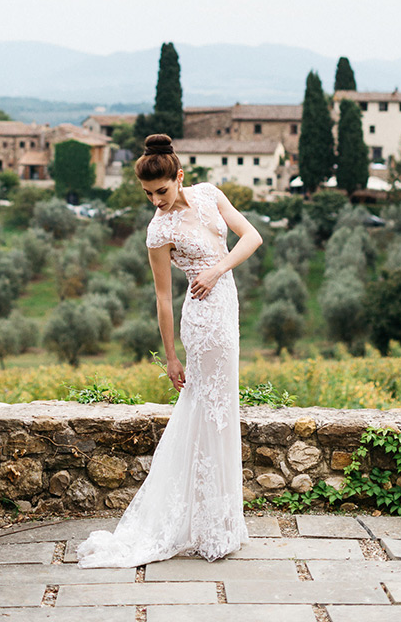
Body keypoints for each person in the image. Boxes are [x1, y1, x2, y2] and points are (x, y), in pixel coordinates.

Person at [77, 133, 262, 568]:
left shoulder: (210, 195)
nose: (156, 200)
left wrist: (218, 269)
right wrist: (172, 357)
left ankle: (218, 522)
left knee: (221, 411)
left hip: (225, 306)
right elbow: (162, 299)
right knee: (206, 411)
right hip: (200, 322)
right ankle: (205, 526)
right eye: (147, 194)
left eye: (161, 190)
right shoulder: (158, 230)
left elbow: (251, 237)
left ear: (179, 177)